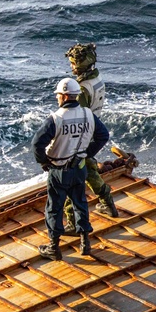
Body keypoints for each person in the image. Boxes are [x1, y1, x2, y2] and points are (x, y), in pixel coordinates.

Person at [32, 78, 110, 260]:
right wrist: (87, 153)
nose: (58, 98)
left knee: (54, 208)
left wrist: (44, 162)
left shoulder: (56, 119)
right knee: (80, 203)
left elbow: (37, 143)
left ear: (65, 95)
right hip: (79, 168)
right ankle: (85, 242)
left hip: (59, 170)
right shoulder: (88, 115)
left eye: (58, 95)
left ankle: (53, 247)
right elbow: (103, 135)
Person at [62, 42, 120, 230]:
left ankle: (72, 222)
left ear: (80, 65)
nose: (71, 67)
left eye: (73, 63)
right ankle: (108, 203)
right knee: (89, 170)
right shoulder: (97, 80)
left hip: (81, 136)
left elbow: (77, 116)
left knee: (71, 176)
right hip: (94, 130)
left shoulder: (81, 89)